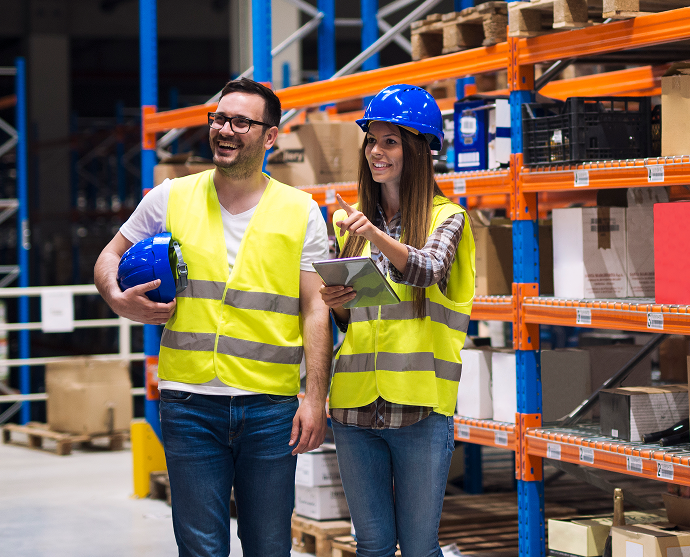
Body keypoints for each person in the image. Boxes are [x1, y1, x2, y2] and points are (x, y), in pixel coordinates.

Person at [94, 78, 331, 557]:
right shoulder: (170, 197)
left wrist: (316, 398)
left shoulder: (301, 211)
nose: (226, 129)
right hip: (189, 404)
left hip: (270, 407)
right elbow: (108, 258)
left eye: (241, 121)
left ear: (269, 136)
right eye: (219, 119)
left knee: (268, 546)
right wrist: (117, 299)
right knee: (200, 548)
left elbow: (316, 306)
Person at [320, 84, 475, 557]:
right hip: (353, 406)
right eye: (371, 140)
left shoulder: (448, 218)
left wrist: (375, 235)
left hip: (419, 407)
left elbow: (427, 270)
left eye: (390, 141)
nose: (376, 151)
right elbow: (351, 320)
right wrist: (336, 300)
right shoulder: (351, 223)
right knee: (371, 546)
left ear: (419, 148)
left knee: (420, 547)